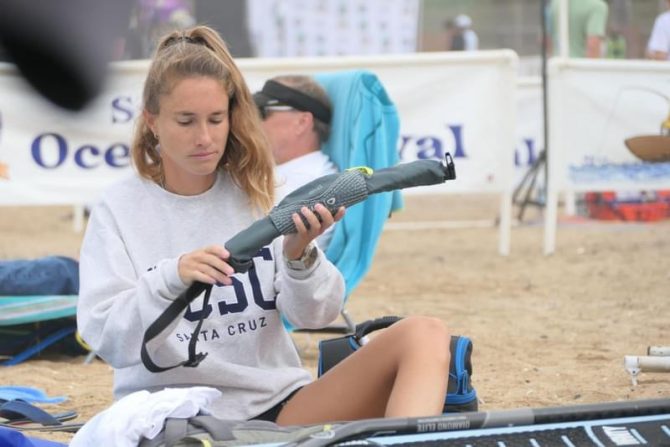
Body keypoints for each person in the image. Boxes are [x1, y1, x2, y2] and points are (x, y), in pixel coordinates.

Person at [76, 25, 451, 426]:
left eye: (216, 119)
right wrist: (172, 276)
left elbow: (316, 314)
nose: (204, 137)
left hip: (281, 412)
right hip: (177, 420)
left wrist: (299, 257)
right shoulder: (120, 208)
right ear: (152, 121)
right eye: (186, 121)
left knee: (424, 333)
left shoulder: (262, 190)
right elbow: (106, 337)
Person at [253, 75, 339, 250]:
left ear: (302, 122)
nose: (251, 120)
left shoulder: (309, 185)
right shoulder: (295, 175)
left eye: (262, 111)